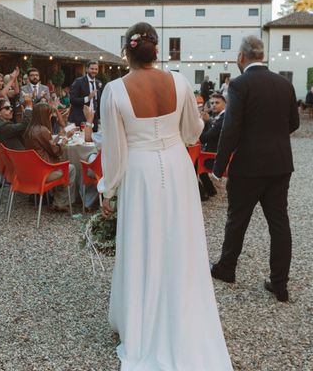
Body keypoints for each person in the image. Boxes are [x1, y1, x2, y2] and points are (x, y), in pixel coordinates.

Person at [100, 22, 232, 370]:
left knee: (142, 244)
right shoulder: (180, 82)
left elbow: (113, 149)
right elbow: (193, 133)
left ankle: (142, 323)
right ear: (155, 50)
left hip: (140, 173)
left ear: (127, 51)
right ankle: (183, 313)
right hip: (176, 169)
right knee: (180, 243)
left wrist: (107, 188)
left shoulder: (114, 91)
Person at [210, 35, 299, 303]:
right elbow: (293, 123)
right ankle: (280, 284)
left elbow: (231, 128)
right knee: (279, 223)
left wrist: (218, 166)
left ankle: (227, 268)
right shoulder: (285, 83)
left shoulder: (239, 84)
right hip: (280, 164)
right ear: (262, 55)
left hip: (248, 165)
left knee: (237, 219)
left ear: (241, 57)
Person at [24, 102, 77, 211]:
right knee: (71, 168)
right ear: (44, 115)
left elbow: (46, 144)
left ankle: (57, 200)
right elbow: (56, 151)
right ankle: (60, 203)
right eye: (50, 114)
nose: (51, 117)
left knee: (62, 164)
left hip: (30, 171)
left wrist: (58, 137)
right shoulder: (42, 130)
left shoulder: (30, 129)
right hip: (44, 173)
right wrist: (66, 138)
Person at [199, 92, 226, 200]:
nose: (214, 105)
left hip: (214, 158)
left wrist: (203, 122)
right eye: (212, 103)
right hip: (213, 154)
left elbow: (205, 137)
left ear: (225, 104)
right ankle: (210, 190)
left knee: (193, 163)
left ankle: (203, 194)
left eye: (217, 102)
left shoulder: (224, 118)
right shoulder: (221, 117)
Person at [70, 61, 102, 131]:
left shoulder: (98, 83)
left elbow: (98, 102)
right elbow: (72, 100)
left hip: (94, 119)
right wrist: (88, 98)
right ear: (87, 69)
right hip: (81, 118)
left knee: (93, 139)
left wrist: (99, 117)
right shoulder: (78, 81)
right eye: (92, 68)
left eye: (96, 69)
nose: (94, 71)